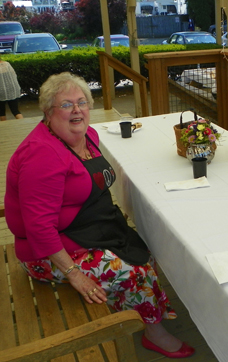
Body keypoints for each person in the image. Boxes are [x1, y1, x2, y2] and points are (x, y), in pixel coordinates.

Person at [4, 72, 195, 359]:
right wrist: (74, 274)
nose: (77, 110)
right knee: (133, 270)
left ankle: (135, 311)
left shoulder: (88, 136)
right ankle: (154, 333)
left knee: (144, 248)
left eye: (82, 102)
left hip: (87, 228)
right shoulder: (42, 155)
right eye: (66, 105)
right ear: (47, 112)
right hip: (44, 253)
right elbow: (39, 227)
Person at [0, 56, 23, 121]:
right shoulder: (7, 64)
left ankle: (5, 128)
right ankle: (22, 124)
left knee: (1, 113)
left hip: (1, 91)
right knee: (15, 110)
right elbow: (14, 75)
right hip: (13, 89)